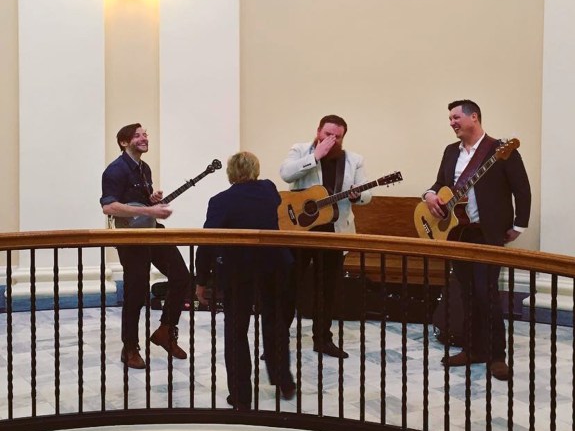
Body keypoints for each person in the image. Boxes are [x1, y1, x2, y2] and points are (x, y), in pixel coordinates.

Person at [423, 100, 531, 381]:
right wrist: (430, 195)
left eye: (456, 117)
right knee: (467, 293)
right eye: (449, 118)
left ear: (474, 117)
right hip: (458, 232)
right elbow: (438, 184)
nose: (452, 122)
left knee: (487, 294)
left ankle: (497, 355)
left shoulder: (500, 150)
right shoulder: (450, 152)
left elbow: (522, 189)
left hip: (487, 232)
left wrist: (519, 225)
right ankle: (472, 349)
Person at [195, 151, 296, 406]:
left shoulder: (220, 201)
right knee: (275, 324)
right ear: (256, 169)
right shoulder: (269, 190)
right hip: (274, 264)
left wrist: (200, 279)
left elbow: (207, 241)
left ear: (230, 173)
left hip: (238, 270)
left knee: (236, 331)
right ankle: (283, 380)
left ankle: (241, 396)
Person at [279, 114, 371, 358]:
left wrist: (356, 196)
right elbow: (286, 174)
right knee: (289, 285)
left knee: (327, 288)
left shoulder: (354, 160)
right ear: (318, 130)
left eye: (337, 136)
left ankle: (323, 339)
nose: (332, 139)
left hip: (334, 229)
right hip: (300, 229)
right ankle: (278, 338)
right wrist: (315, 156)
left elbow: (366, 194)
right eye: (327, 134)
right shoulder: (300, 150)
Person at [100, 123, 190, 370]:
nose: (144, 138)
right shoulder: (115, 171)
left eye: (145, 135)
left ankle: (165, 330)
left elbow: (137, 204)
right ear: (123, 142)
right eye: (137, 136)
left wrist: (151, 200)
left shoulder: (144, 168)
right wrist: (150, 209)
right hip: (130, 239)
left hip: (151, 231)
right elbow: (109, 207)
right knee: (136, 291)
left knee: (182, 277)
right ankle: (130, 347)